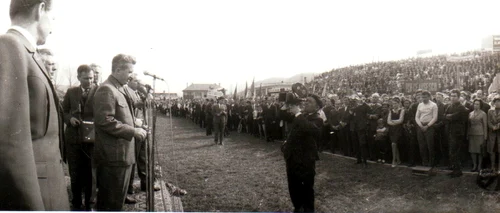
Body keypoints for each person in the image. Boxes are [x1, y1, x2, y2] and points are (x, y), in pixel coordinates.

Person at [0, 0, 70, 210]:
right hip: (37, 196)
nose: (53, 27)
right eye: (53, 18)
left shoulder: (27, 51)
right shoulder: (10, 46)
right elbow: (9, 144)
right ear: (41, 10)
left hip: (48, 188)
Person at [93, 54, 147, 211]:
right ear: (117, 70)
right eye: (129, 72)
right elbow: (105, 121)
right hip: (113, 157)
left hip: (122, 154)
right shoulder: (107, 89)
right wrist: (133, 130)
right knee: (111, 203)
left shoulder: (120, 88)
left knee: (117, 201)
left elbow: (126, 112)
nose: (131, 77)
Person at [62, 65, 97, 210]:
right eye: (85, 78)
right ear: (78, 78)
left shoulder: (100, 91)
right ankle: (76, 203)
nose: (89, 81)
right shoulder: (71, 92)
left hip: (91, 140)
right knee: (75, 174)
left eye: (91, 78)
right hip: (74, 140)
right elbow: (63, 111)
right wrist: (69, 119)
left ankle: (89, 204)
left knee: (90, 174)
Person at [281, 93, 322, 212]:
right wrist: (288, 103)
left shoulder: (317, 119)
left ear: (317, 106)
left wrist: (298, 113)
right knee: (293, 186)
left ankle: (308, 210)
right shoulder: (300, 116)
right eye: (305, 101)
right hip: (293, 157)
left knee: (307, 188)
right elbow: (282, 115)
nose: (305, 103)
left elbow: (309, 128)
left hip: (306, 159)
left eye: (309, 102)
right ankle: (297, 207)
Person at [444, 89, 469, 178]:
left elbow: (453, 117)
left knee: (455, 152)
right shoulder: (450, 106)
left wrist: (451, 116)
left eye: (454, 96)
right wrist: (450, 116)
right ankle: (455, 169)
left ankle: (457, 171)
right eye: (451, 96)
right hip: (450, 131)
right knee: (451, 151)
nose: (452, 97)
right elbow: (445, 116)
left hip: (458, 133)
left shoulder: (461, 107)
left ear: (459, 97)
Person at [415, 90, 438, 168]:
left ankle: (431, 163)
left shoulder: (433, 105)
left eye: (425, 97)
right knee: (422, 145)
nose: (423, 99)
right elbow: (417, 117)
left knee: (430, 145)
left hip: (429, 127)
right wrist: (420, 125)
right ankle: (424, 162)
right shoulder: (420, 105)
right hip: (420, 126)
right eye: (422, 97)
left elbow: (435, 118)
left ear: (429, 97)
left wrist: (427, 126)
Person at [468, 99, 487, 172]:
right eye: (474, 104)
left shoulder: (483, 114)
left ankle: (479, 165)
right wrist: (468, 134)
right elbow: (469, 125)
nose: (475, 105)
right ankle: (474, 165)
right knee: (472, 151)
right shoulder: (470, 113)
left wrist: (485, 136)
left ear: (480, 105)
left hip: (480, 134)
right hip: (472, 134)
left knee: (479, 151)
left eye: (477, 104)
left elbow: (485, 126)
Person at [387, 97, 404, 168]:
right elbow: (388, 121)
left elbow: (401, 120)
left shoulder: (402, 110)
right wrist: (394, 122)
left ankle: (394, 160)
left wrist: (393, 121)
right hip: (392, 130)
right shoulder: (391, 111)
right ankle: (398, 160)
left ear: (399, 103)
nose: (394, 105)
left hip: (398, 129)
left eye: (396, 103)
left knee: (394, 144)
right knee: (394, 144)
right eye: (393, 103)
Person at [487, 95, 500, 171]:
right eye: (496, 102)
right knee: (492, 150)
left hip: (499, 133)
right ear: (494, 103)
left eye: (499, 101)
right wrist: (493, 127)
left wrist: (498, 126)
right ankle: (492, 166)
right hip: (492, 133)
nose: (498, 103)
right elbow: (488, 122)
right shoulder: (490, 111)